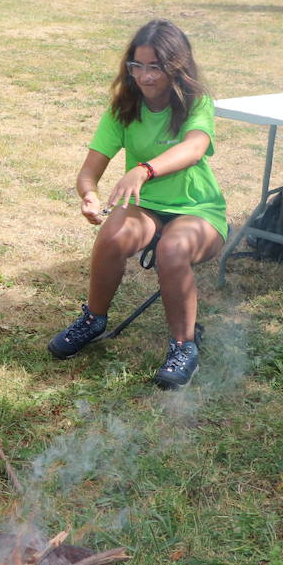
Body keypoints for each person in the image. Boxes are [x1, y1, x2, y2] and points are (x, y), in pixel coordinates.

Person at [46, 19, 228, 389]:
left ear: (177, 67)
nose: (145, 77)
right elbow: (89, 172)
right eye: (137, 66)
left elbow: (193, 149)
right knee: (113, 234)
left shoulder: (197, 103)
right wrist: (89, 195)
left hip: (198, 209)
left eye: (155, 67)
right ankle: (94, 319)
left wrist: (143, 170)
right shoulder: (124, 109)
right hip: (146, 206)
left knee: (174, 250)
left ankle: (184, 345)